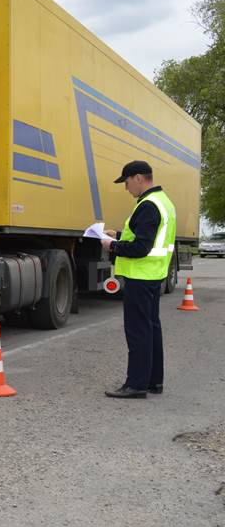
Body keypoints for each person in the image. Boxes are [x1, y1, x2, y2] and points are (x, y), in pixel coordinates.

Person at [101, 160, 177, 399]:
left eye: (126, 181)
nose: (126, 188)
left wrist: (112, 245)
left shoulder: (147, 205)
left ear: (138, 178)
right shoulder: (163, 202)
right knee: (151, 328)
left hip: (140, 276)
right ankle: (154, 381)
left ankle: (136, 384)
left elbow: (142, 247)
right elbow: (150, 238)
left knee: (138, 331)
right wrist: (121, 234)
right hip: (153, 275)